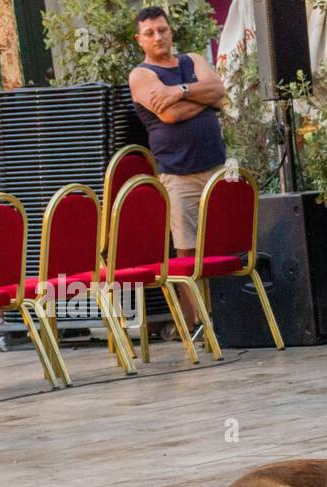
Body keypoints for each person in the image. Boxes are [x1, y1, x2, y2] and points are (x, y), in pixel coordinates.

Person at [129, 4, 228, 334]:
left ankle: (226, 321)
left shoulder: (192, 60)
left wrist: (180, 91)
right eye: (150, 33)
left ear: (171, 31)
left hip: (215, 169)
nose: (158, 37)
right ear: (140, 39)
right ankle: (196, 326)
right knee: (187, 253)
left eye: (162, 30)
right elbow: (168, 115)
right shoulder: (141, 75)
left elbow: (221, 91)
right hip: (178, 175)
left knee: (221, 246)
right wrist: (204, 99)